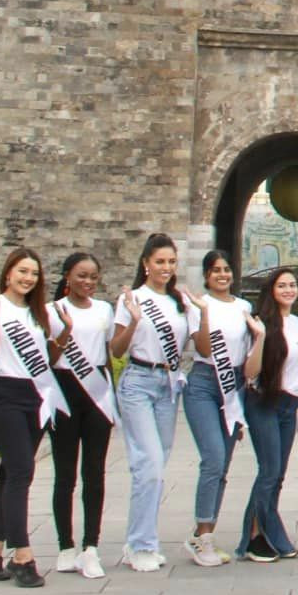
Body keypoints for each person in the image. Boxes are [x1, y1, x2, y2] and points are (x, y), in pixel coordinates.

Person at [0, 248, 63, 587]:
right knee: (22, 471)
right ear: (8, 272)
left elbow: (48, 358)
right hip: (3, 395)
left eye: (34, 273)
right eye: (22, 271)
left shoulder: (37, 313)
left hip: (34, 396)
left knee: (12, 474)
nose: (28, 278)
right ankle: (22, 554)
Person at [110, 233, 188, 572]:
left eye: (171, 262)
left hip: (168, 386)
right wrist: (135, 321)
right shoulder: (132, 299)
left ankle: (144, 539)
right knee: (150, 466)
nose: (166, 268)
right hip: (138, 382)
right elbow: (115, 349)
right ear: (146, 263)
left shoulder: (179, 301)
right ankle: (139, 544)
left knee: (156, 467)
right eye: (160, 262)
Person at [179, 250, 258, 567]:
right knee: (212, 457)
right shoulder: (197, 304)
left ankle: (203, 533)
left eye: (226, 269)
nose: (222, 275)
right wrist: (204, 313)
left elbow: (248, 353)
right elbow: (203, 348)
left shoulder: (244, 307)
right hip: (203, 383)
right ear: (206, 275)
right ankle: (203, 535)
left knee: (222, 465)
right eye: (215, 271)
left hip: (233, 386)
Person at [45, 252, 114, 580]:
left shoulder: (104, 309)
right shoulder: (51, 311)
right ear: (67, 276)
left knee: (95, 473)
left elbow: (109, 353)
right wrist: (65, 331)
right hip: (64, 389)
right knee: (65, 474)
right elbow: (50, 356)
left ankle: (91, 547)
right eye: (81, 276)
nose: (87, 282)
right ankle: (64, 545)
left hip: (97, 392)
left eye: (93, 277)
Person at [236, 266, 298, 563]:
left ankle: (260, 533)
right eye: (282, 285)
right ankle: (257, 536)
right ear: (271, 290)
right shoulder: (260, 323)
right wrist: (261, 338)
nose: (289, 290)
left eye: (292, 285)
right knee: (269, 471)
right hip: (265, 402)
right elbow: (250, 372)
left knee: (277, 474)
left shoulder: (295, 322)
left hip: (290, 405)